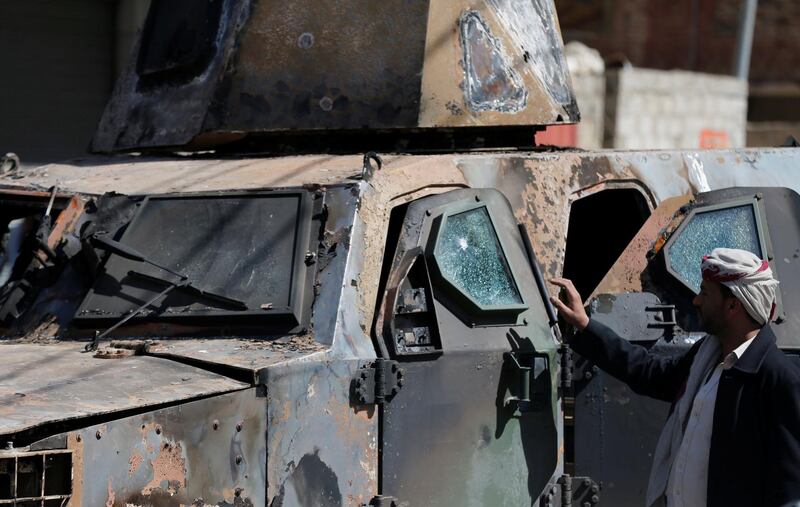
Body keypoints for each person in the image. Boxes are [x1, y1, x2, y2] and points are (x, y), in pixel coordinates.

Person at [550, 248, 800, 507]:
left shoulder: (778, 380)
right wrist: (586, 326)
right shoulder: (707, 356)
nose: (696, 301)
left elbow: (790, 493)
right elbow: (649, 372)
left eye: (705, 292)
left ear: (733, 305)